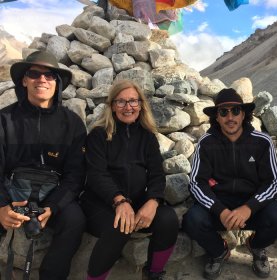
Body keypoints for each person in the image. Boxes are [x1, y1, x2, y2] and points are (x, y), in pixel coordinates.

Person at [183, 88, 277, 280]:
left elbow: (273, 182)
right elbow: (196, 184)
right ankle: (219, 251)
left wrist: (249, 208)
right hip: (219, 207)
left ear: (243, 114)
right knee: (192, 220)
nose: (230, 117)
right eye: (223, 112)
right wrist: (220, 210)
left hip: (252, 206)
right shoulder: (206, 143)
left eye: (235, 111)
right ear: (216, 117)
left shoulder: (262, 142)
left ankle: (256, 245)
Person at [0, 51, 87, 279]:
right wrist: (1, 206)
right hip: (11, 193)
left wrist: (54, 206)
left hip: (52, 193)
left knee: (74, 220)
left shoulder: (73, 124)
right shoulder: (4, 120)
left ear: (57, 83)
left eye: (49, 75)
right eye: (34, 74)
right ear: (24, 80)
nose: (42, 80)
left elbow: (75, 174)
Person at [81, 80, 179, 280]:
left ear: (141, 104)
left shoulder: (148, 137)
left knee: (168, 218)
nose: (128, 107)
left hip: (135, 201)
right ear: (112, 106)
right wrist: (119, 201)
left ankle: (154, 273)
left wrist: (153, 201)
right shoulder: (98, 135)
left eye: (133, 101)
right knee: (120, 226)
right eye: (121, 102)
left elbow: (156, 175)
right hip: (99, 204)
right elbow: (96, 174)